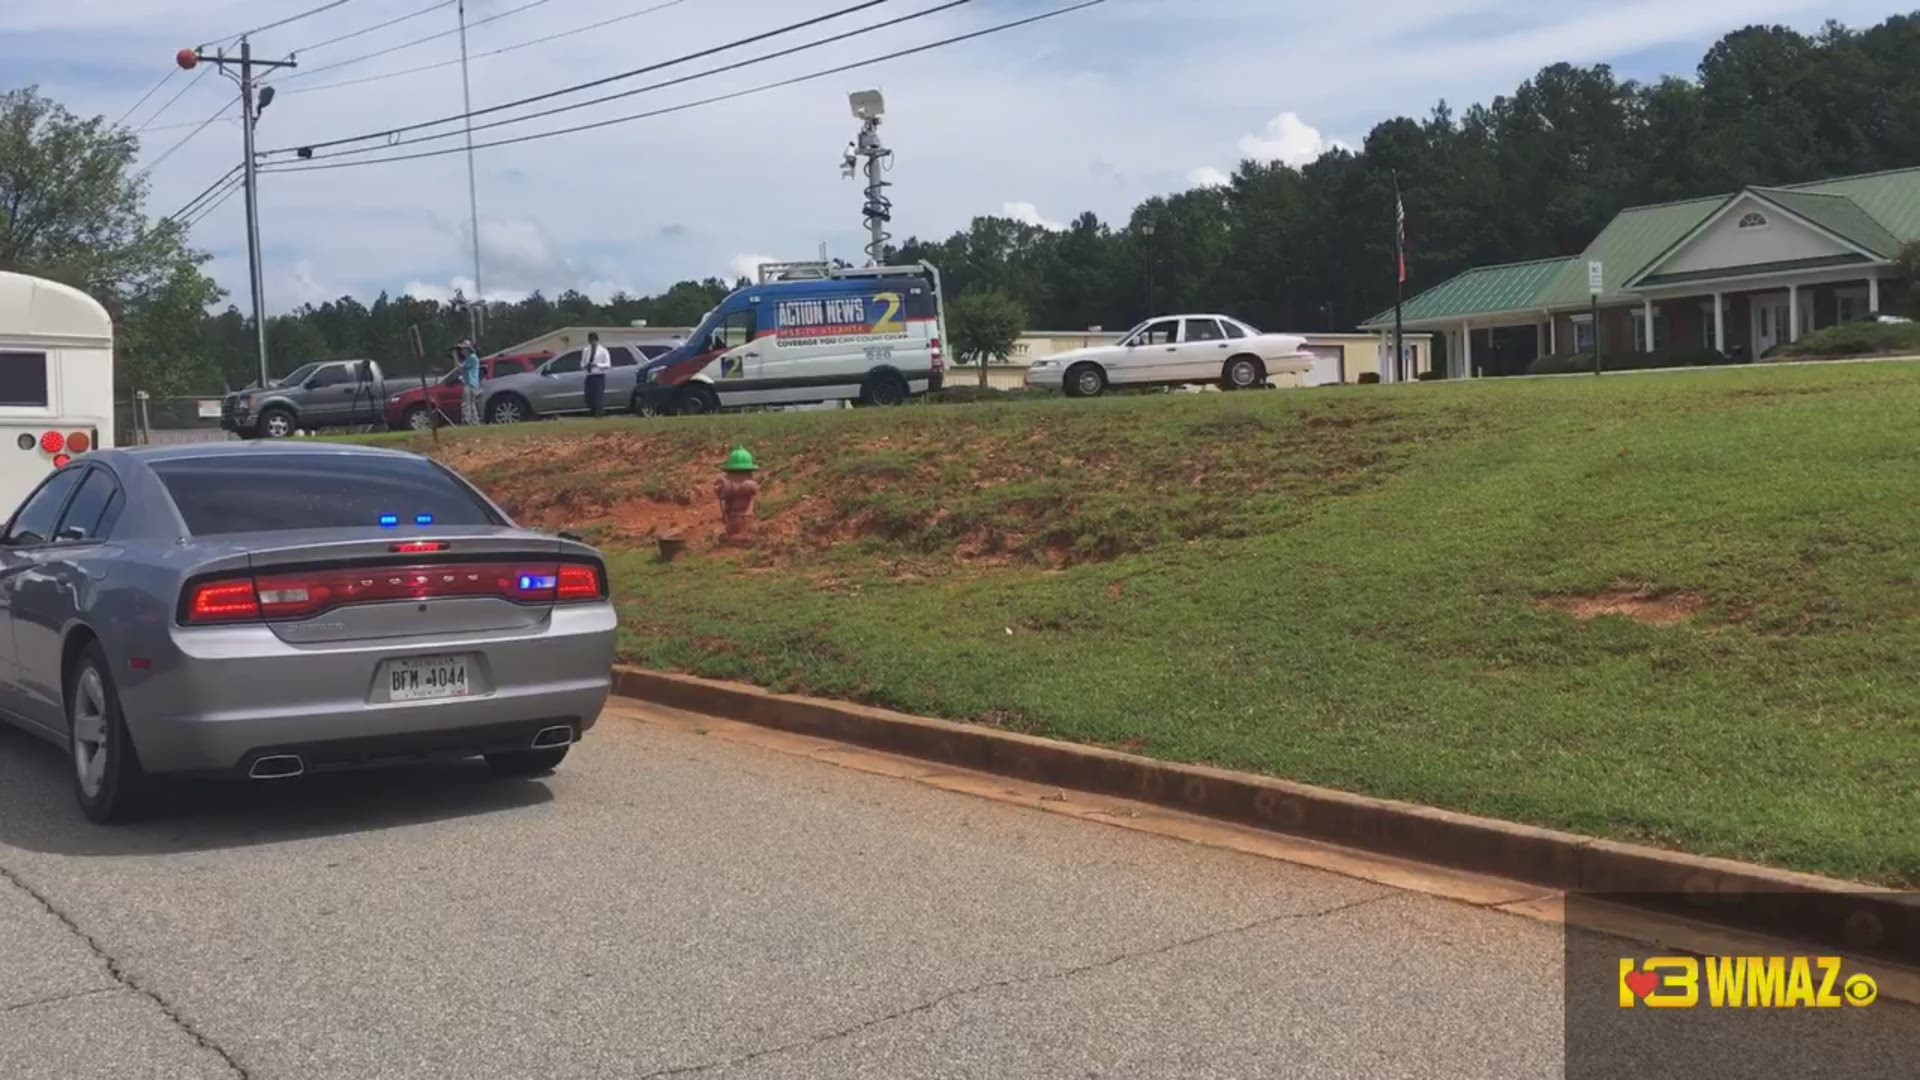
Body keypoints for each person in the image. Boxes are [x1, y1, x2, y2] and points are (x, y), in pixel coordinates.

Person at [584, 332, 611, 418]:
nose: (591, 343)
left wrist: (597, 365)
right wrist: (585, 365)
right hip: (589, 374)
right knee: (589, 395)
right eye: (590, 341)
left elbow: (608, 364)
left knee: (598, 395)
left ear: (596, 340)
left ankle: (599, 414)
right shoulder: (586, 350)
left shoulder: (603, 351)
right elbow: (582, 362)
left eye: (593, 341)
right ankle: (592, 411)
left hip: (599, 375)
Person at [457, 339, 483, 425]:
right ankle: (475, 421)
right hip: (472, 384)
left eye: (464, 349)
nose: (462, 351)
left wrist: (454, 357)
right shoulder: (470, 358)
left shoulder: (472, 357)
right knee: (471, 404)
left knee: (466, 404)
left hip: (470, 384)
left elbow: (460, 367)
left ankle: (467, 421)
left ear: (468, 349)